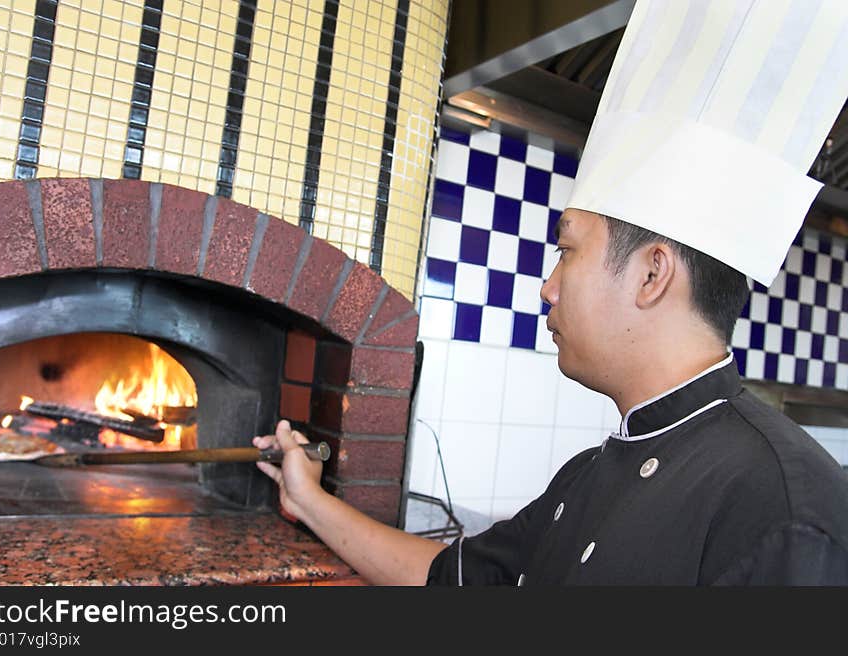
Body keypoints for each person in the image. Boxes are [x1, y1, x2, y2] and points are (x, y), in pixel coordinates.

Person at [254, 1, 848, 584]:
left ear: (651, 274)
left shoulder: (782, 510)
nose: (547, 286)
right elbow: (446, 578)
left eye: (567, 250)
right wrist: (307, 498)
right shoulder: (588, 475)